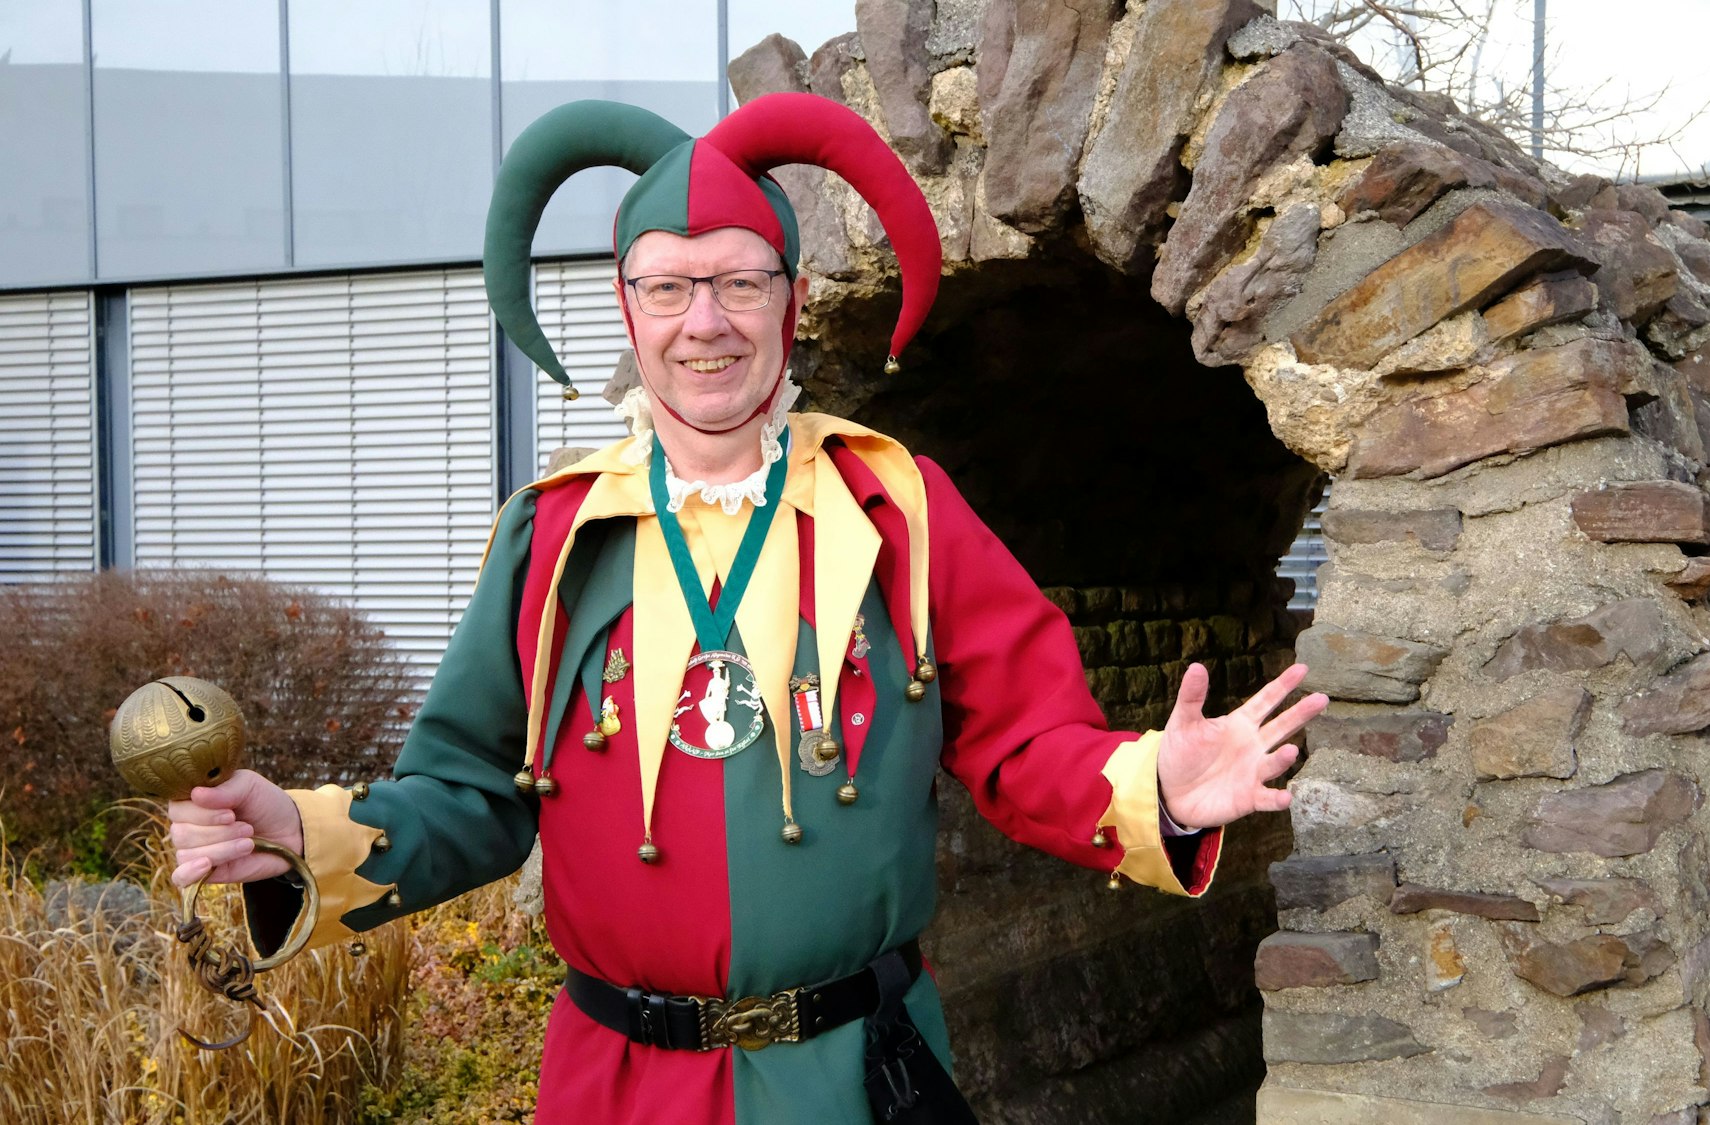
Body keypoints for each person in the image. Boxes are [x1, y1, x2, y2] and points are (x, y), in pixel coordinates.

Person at [166, 93, 1326, 1124]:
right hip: (612, 1087)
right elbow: (468, 793)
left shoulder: (898, 505)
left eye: (736, 281)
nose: (703, 322)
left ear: (792, 298)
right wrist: (293, 836)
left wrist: (1154, 790)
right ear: (628, 310)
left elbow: (1024, 745)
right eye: (667, 287)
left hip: (854, 1082)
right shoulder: (550, 535)